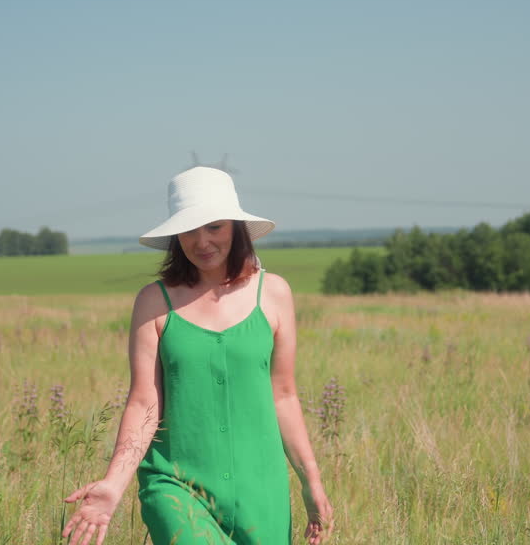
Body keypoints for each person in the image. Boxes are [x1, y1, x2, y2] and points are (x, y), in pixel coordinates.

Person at [61, 166, 334, 545]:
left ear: (236, 229)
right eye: (189, 229)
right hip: (176, 484)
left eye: (214, 227)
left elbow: (284, 395)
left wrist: (311, 482)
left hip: (261, 489)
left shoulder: (274, 294)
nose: (201, 241)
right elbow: (144, 401)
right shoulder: (154, 302)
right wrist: (113, 483)